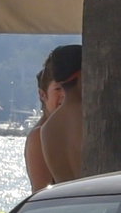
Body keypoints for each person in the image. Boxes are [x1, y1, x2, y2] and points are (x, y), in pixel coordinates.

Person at [38, 44, 84, 187]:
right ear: (83, 73)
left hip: (69, 205)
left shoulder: (47, 129)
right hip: (101, 205)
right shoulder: (90, 119)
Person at [23, 62, 56, 193]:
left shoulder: (63, 130)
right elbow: (42, 192)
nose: (65, 95)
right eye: (58, 89)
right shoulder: (39, 136)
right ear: (43, 95)